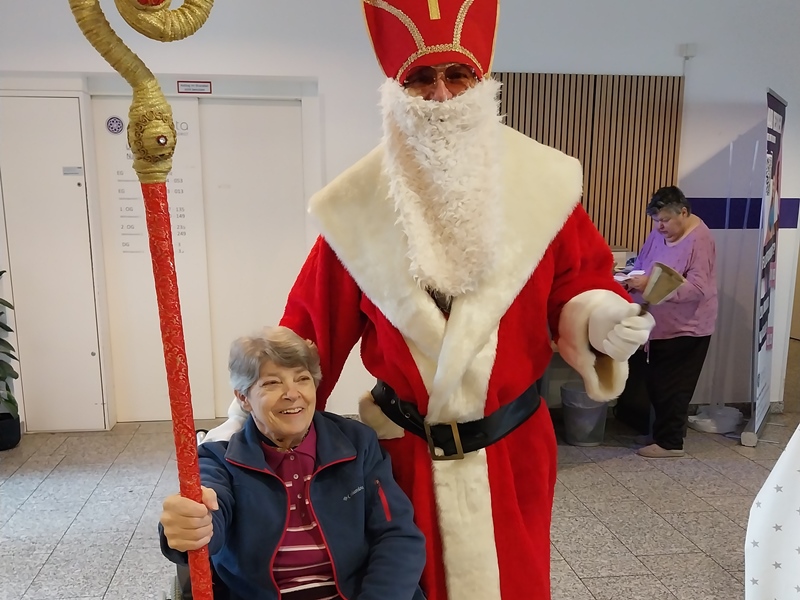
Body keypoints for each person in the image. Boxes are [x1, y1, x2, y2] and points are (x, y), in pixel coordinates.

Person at [205, 1, 655, 598]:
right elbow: (307, 332)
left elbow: (578, 282)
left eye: (457, 75)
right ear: (396, 89)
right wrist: (241, 422)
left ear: (481, 84)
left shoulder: (542, 187)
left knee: (516, 581)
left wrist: (602, 319)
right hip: (406, 457)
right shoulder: (356, 210)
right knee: (408, 580)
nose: (441, 94)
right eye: (421, 77)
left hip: (512, 450)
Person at [159, 326, 426, 600]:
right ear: (243, 398)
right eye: (271, 383)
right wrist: (191, 522)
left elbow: (398, 535)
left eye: (302, 379)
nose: (292, 393)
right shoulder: (220, 461)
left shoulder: (358, 445)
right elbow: (209, 511)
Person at [620, 185, 718, 458]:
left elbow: (698, 289)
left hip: (687, 327)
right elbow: (644, 261)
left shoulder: (700, 241)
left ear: (683, 213)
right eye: (655, 221)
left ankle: (671, 443)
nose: (659, 226)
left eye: (664, 220)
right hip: (657, 323)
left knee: (673, 385)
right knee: (655, 382)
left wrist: (648, 283)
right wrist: (631, 278)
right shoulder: (659, 233)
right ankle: (660, 434)